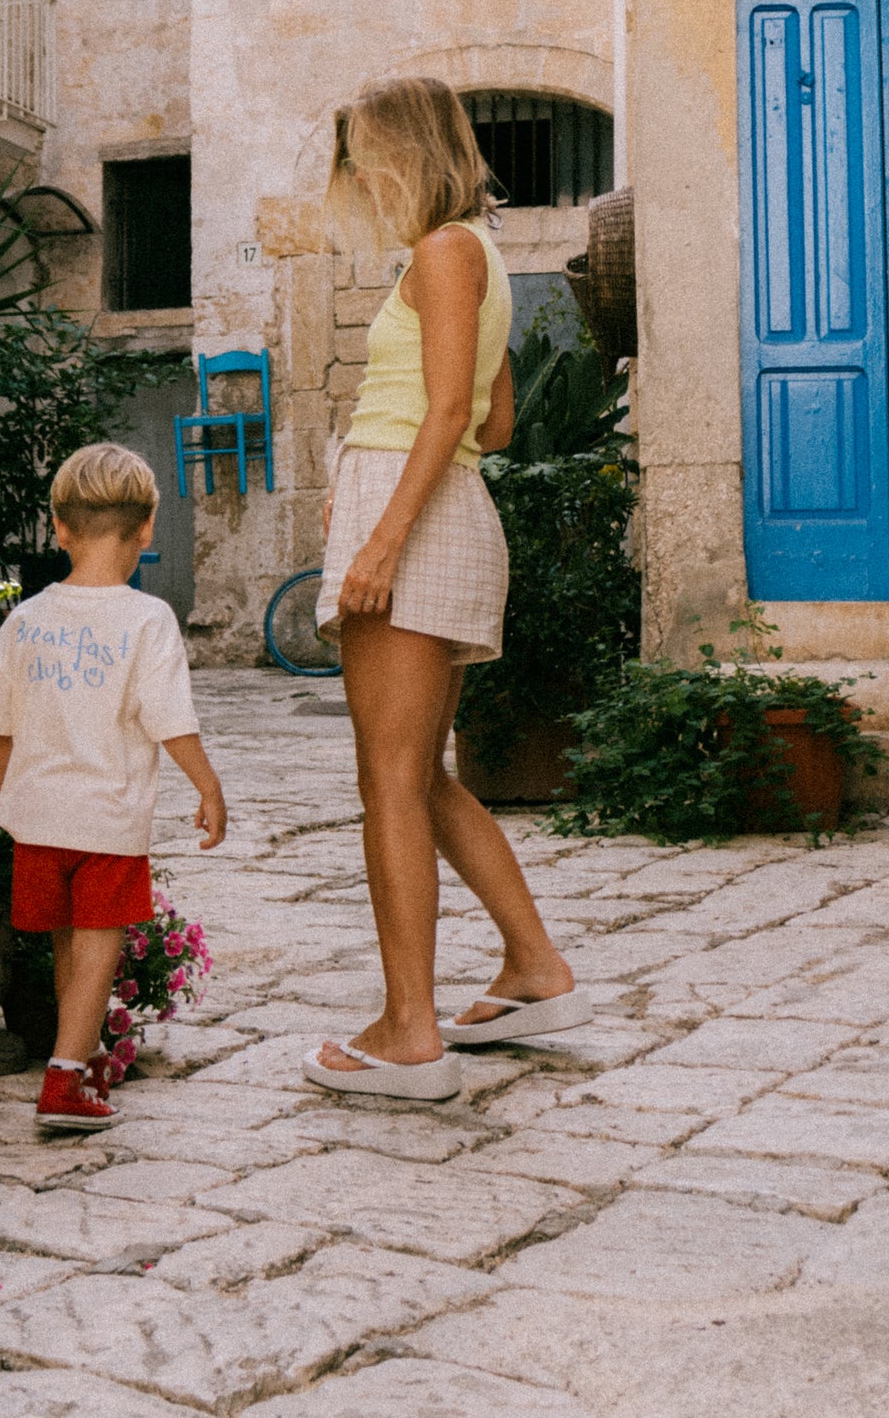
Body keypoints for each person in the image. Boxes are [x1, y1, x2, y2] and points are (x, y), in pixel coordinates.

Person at [304, 76, 588, 1101]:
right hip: (434, 505)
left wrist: (380, 534)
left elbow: (441, 419)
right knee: (416, 772)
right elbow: (492, 418)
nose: (359, 179)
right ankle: (533, 968)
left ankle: (406, 1030)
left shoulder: (441, 251)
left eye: (365, 158)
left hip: (415, 515)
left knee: (387, 779)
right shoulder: (472, 253)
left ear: (404, 152)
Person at [0, 442, 227, 1130]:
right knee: (97, 945)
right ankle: (62, 1079)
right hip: (106, 821)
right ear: (146, 531)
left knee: (67, 947)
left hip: (39, 817)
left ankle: (76, 1060)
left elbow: (0, 720)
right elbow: (170, 718)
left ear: (59, 528)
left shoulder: (25, 620)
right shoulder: (146, 621)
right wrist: (207, 786)